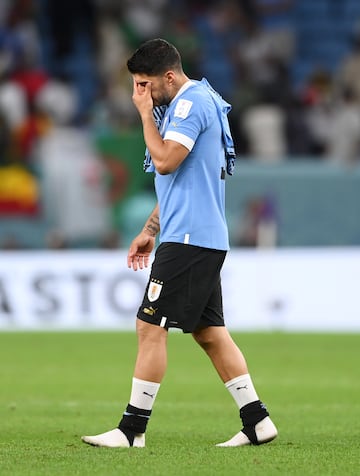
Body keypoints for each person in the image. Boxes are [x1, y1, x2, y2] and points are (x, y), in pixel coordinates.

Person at [81, 38, 277, 448]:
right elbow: (179, 182)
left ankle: (132, 430)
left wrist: (143, 116)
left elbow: (167, 161)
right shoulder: (189, 102)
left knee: (149, 325)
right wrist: (151, 229)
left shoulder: (189, 104)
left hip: (190, 237)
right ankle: (257, 421)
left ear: (168, 76)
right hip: (191, 233)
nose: (141, 94)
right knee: (210, 332)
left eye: (144, 84)